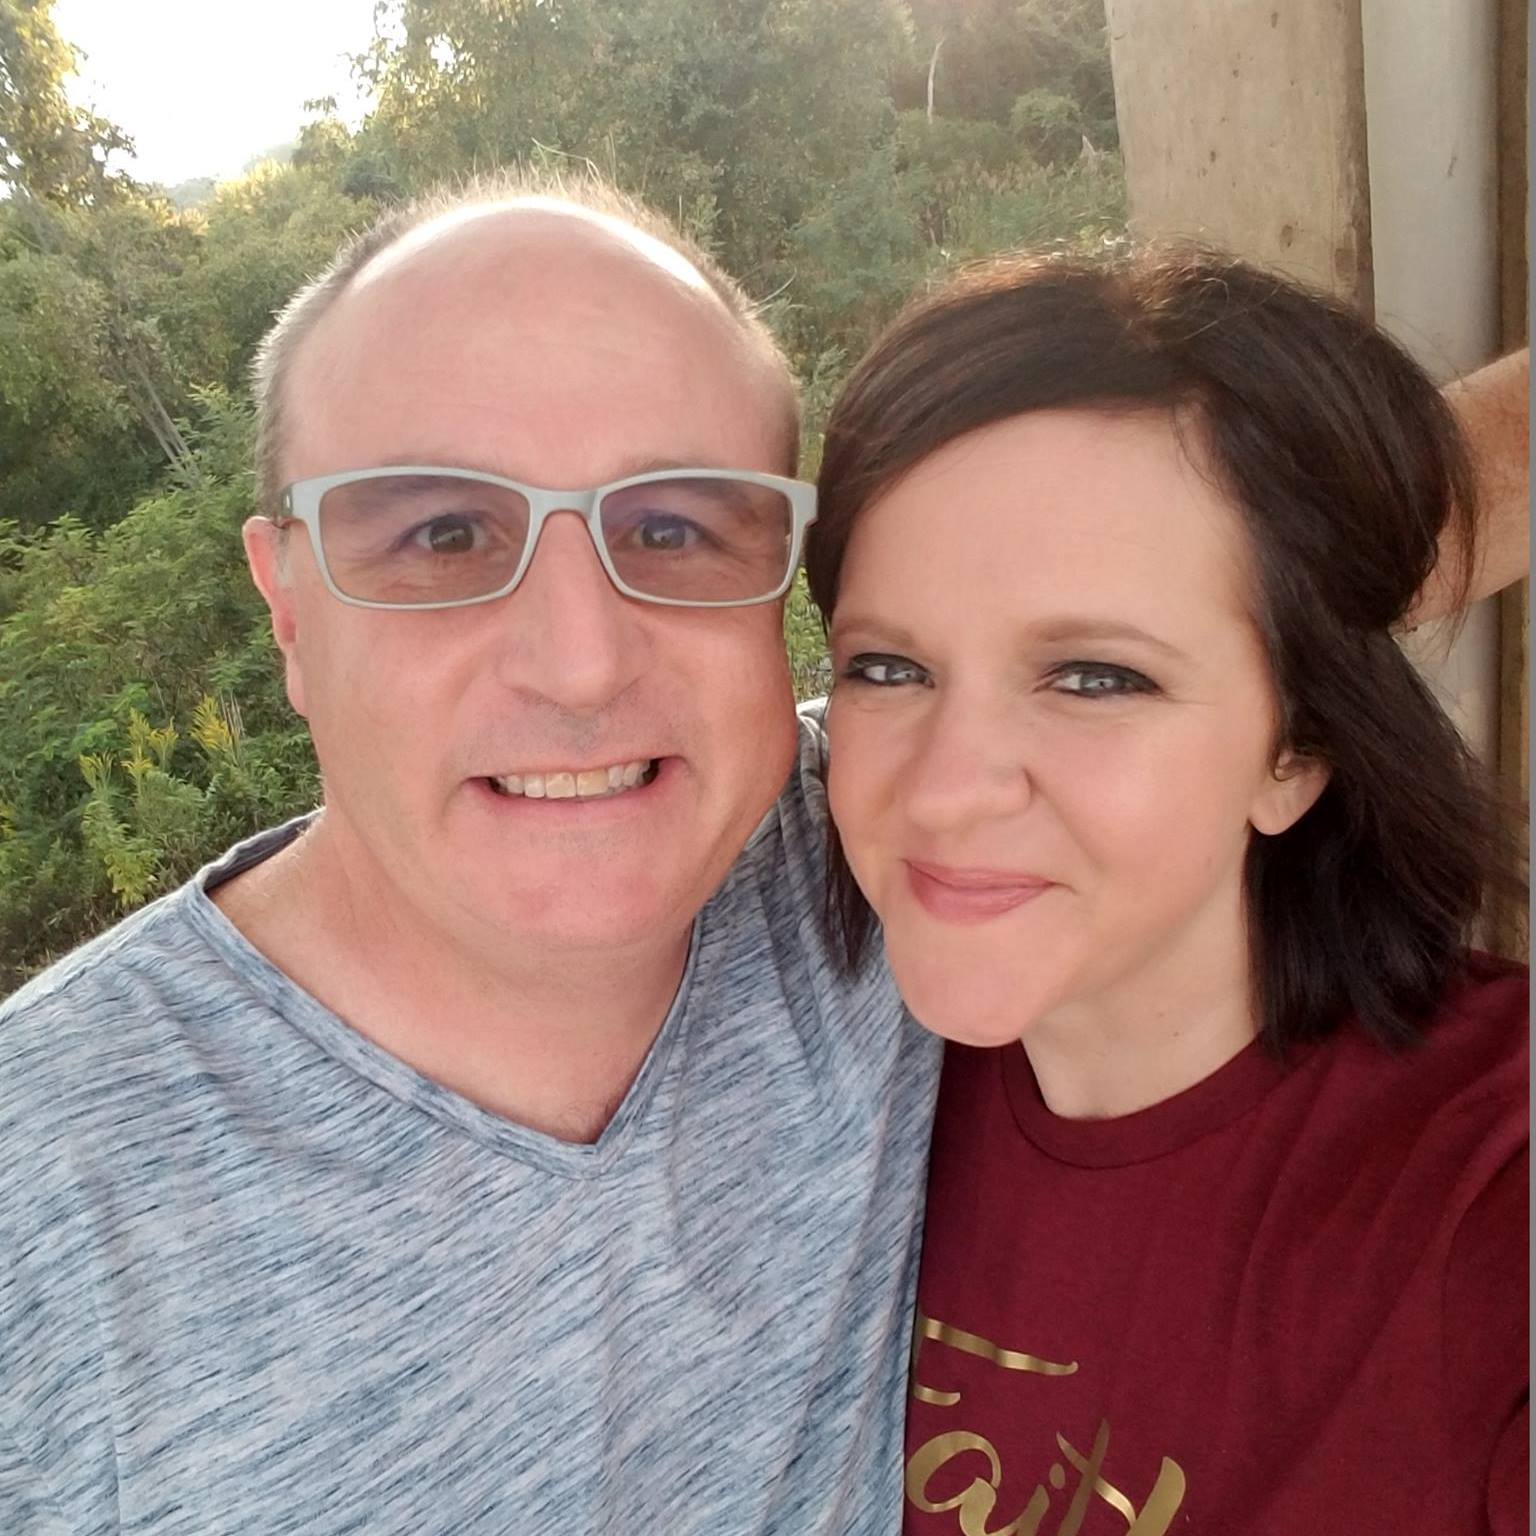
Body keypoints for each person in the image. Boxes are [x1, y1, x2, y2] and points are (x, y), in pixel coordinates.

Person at [0, 175, 940, 1534]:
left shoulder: (918, 852)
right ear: (287, 609)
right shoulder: (42, 1200)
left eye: (673, 528)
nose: (581, 661)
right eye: (443, 535)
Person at [805, 248, 1528, 1534]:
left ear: (1297, 749)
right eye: (886, 668)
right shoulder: (790, 1060)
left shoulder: (1485, 1186)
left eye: (1096, 677)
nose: (946, 791)